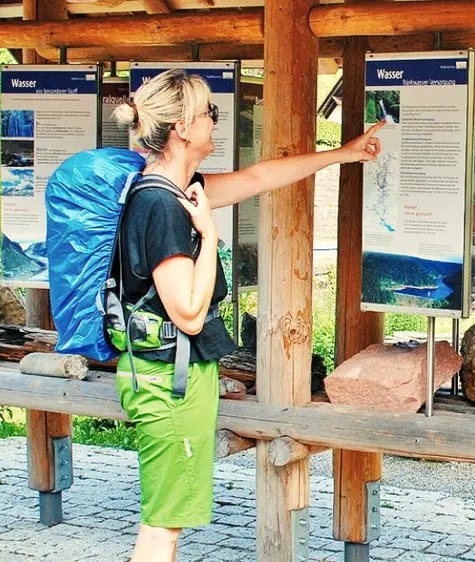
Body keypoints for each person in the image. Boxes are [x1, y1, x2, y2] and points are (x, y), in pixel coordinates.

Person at [110, 68, 384, 561]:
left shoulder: (176, 191)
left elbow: (258, 178)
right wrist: (210, 233)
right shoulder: (164, 206)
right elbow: (189, 314)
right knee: (162, 526)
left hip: (172, 377)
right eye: (208, 115)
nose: (215, 123)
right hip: (168, 384)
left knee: (167, 519)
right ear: (181, 129)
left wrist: (345, 153)